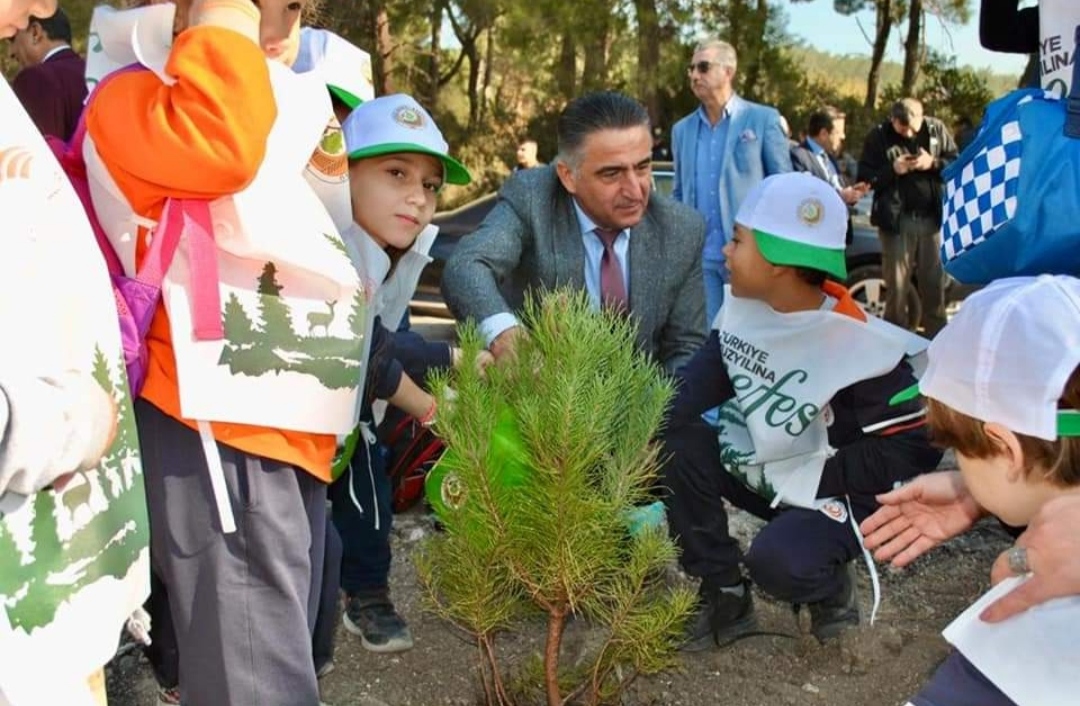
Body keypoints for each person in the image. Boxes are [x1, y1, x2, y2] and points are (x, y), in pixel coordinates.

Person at [82, 0, 363, 704]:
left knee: (278, 659)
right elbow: (225, 145)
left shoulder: (283, 98)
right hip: (217, 424)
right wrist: (222, 19)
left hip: (290, 421)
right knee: (256, 681)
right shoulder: (131, 100)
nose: (272, 28)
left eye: (291, 9)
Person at [661, 172, 941, 651]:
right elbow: (684, 395)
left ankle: (831, 588)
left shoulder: (861, 346)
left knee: (779, 563)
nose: (725, 252)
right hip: (776, 470)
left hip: (843, 491)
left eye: (736, 241)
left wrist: (824, 476)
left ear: (777, 263)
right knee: (676, 445)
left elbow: (916, 446)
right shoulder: (746, 316)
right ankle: (724, 595)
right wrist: (607, 428)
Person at [861, 275, 1080, 706]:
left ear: (1006, 448)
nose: (961, 464)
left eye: (959, 450)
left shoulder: (1046, 600)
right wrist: (977, 492)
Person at [332, 93, 488, 654]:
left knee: (368, 488)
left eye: (428, 185)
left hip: (348, 419)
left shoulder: (400, 246)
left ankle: (367, 597)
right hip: (292, 423)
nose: (417, 198)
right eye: (395, 173)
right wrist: (431, 400)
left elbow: (389, 341)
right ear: (340, 171)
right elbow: (367, 346)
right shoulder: (324, 242)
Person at [442, 90, 707, 375]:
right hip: (539, 404)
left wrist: (656, 415)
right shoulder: (534, 199)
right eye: (612, 174)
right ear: (568, 176)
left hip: (642, 408)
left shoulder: (681, 229)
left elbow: (686, 348)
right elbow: (466, 266)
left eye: (642, 167)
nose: (635, 189)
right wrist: (506, 333)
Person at [670, 37, 791, 323]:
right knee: (714, 338)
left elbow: (783, 187)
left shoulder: (762, 119)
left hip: (754, 257)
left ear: (728, 71)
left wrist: (773, 250)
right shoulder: (681, 130)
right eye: (691, 69)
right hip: (702, 259)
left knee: (755, 338)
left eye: (702, 67)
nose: (694, 75)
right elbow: (678, 193)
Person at [858, 98, 957, 337]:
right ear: (893, 120)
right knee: (897, 288)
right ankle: (895, 344)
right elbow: (864, 178)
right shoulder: (879, 137)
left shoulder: (936, 129)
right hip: (897, 222)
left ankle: (938, 341)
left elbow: (957, 163)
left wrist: (932, 162)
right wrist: (893, 170)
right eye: (903, 129)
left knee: (934, 286)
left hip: (931, 219)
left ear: (922, 116)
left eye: (914, 127)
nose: (910, 133)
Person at [790, 107, 870, 245]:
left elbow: (836, 189)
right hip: (816, 238)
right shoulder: (798, 156)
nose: (843, 136)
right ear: (823, 134)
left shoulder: (830, 158)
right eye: (839, 132)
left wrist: (852, 194)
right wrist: (840, 196)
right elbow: (806, 198)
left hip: (837, 237)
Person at [7, 6, 86, 141]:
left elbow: (36, 155)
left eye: (12, 39)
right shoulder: (95, 71)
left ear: (35, 32)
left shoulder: (34, 79)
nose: (11, 52)